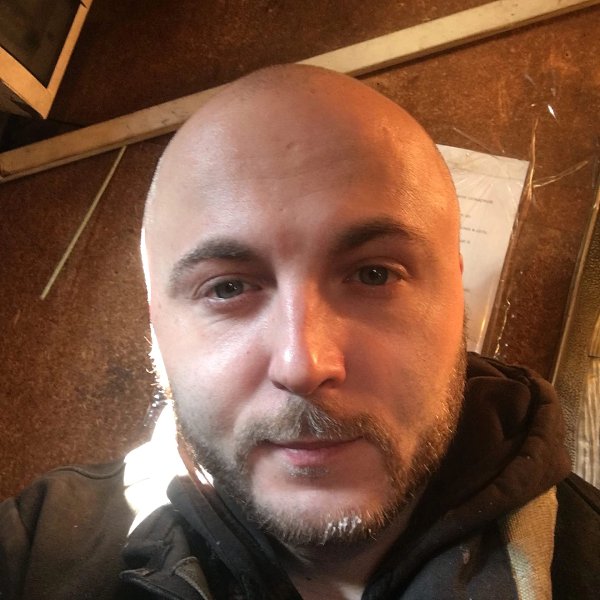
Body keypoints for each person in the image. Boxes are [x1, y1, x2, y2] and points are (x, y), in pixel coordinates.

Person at [1, 64, 598, 600]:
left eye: (374, 274)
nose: (303, 364)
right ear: (156, 321)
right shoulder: (35, 551)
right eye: (227, 288)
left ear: (454, 294)